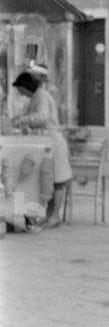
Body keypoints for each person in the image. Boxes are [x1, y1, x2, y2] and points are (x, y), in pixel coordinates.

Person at [11, 71, 73, 228]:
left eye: (21, 89)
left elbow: (42, 117)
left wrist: (22, 120)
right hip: (47, 141)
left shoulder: (42, 97)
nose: (21, 93)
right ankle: (51, 215)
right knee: (51, 181)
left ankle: (55, 216)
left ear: (26, 86)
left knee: (58, 181)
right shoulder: (37, 97)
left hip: (53, 141)